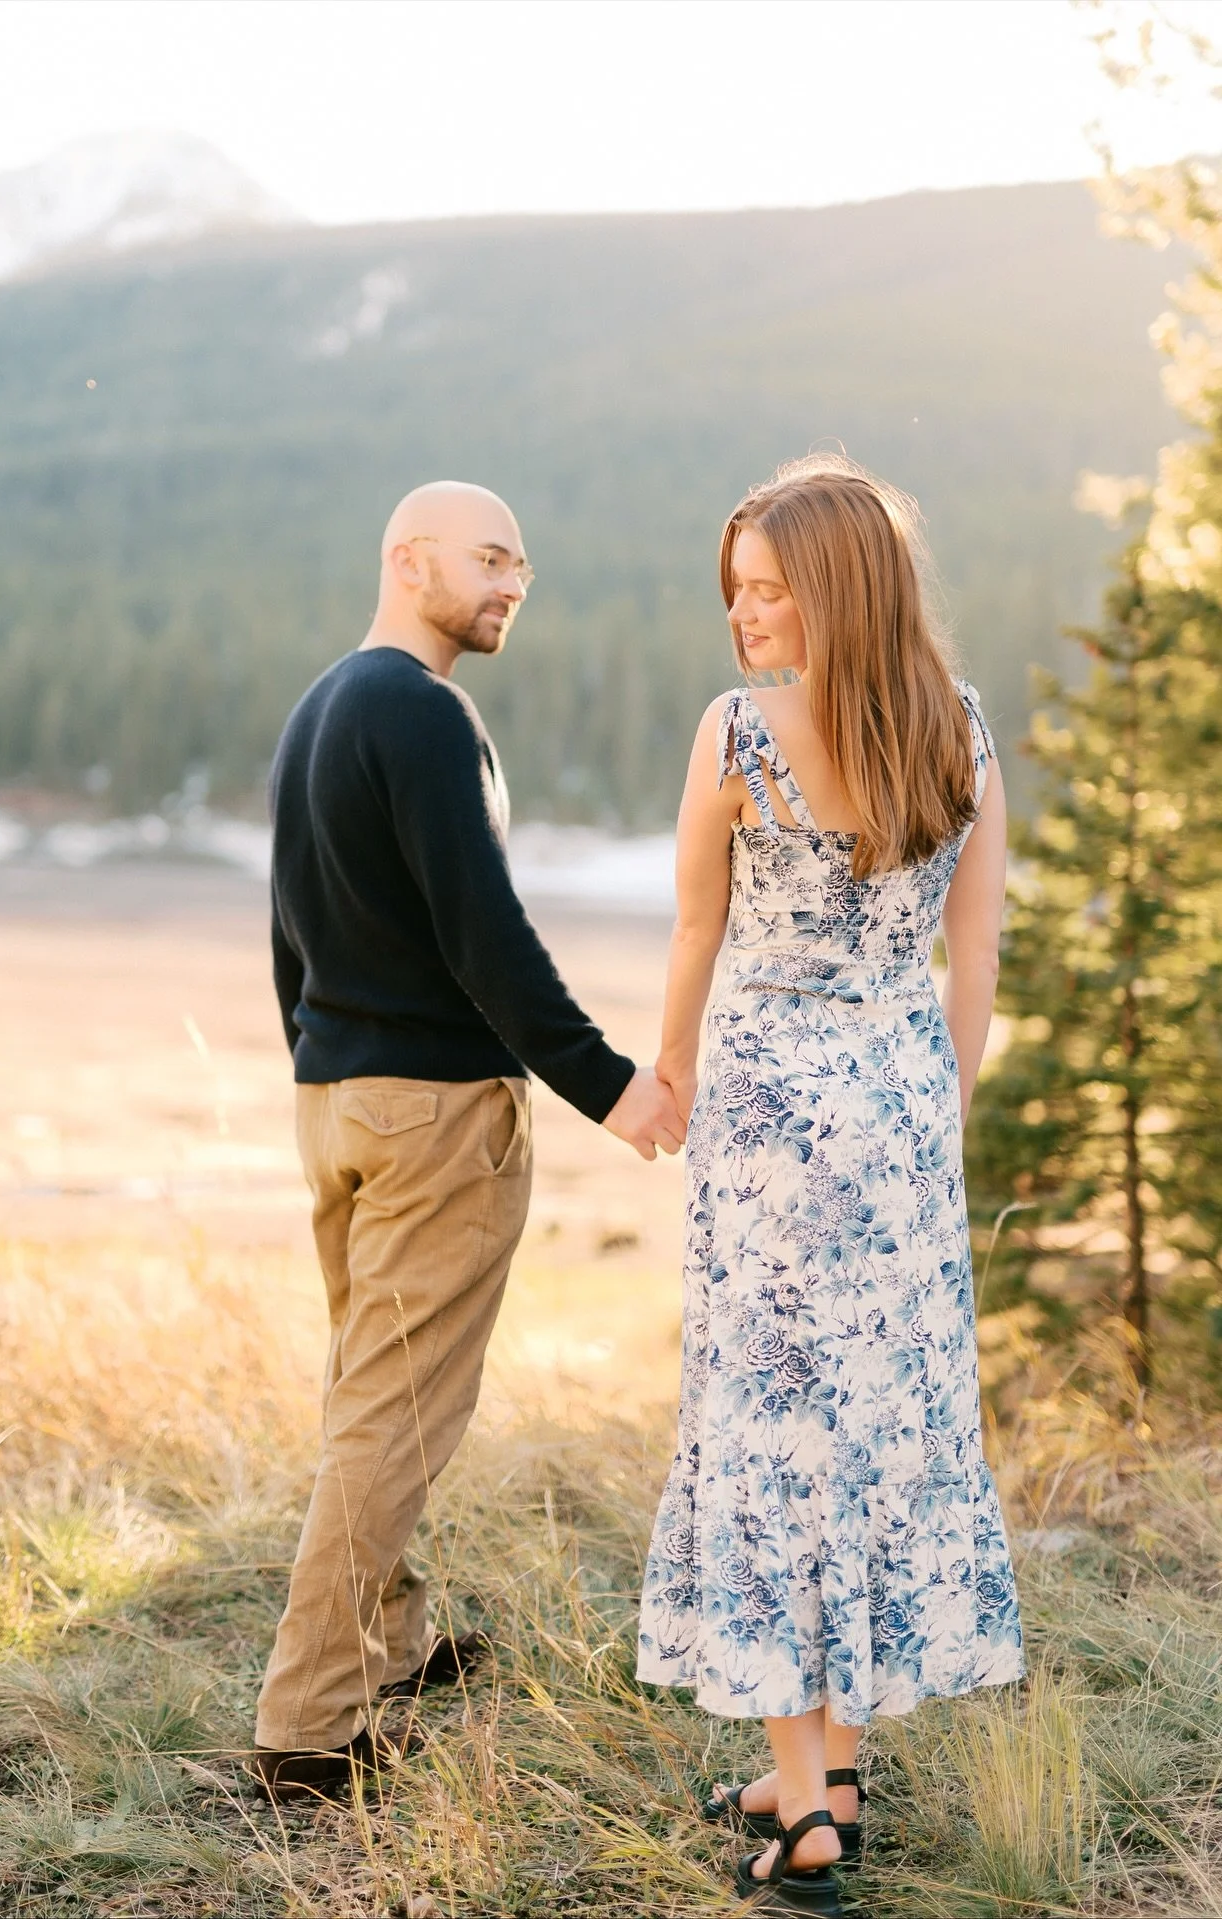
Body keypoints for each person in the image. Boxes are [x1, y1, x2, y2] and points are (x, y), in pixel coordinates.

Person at [253, 479, 685, 1800]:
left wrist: (321, 1065)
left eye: (523, 567)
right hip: (434, 1109)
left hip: (340, 1097)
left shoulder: (319, 705)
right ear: (409, 558)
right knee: (397, 1408)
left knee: (364, 1390)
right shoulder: (427, 713)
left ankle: (385, 1639)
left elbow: (288, 930)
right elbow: (480, 932)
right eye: (489, 558)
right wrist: (611, 1085)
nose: (513, 583)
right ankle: (311, 1722)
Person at [637, 456, 1024, 1909]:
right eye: (734, 589)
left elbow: (694, 926)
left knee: (771, 1426)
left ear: (837, 585)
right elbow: (971, 952)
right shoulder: (962, 726)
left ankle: (807, 1815)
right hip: (901, 1107)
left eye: (770, 586)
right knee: (875, 1422)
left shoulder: (741, 735)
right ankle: (834, 1760)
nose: (743, 615)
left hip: (767, 1117)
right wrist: (947, 1102)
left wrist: (665, 1072)